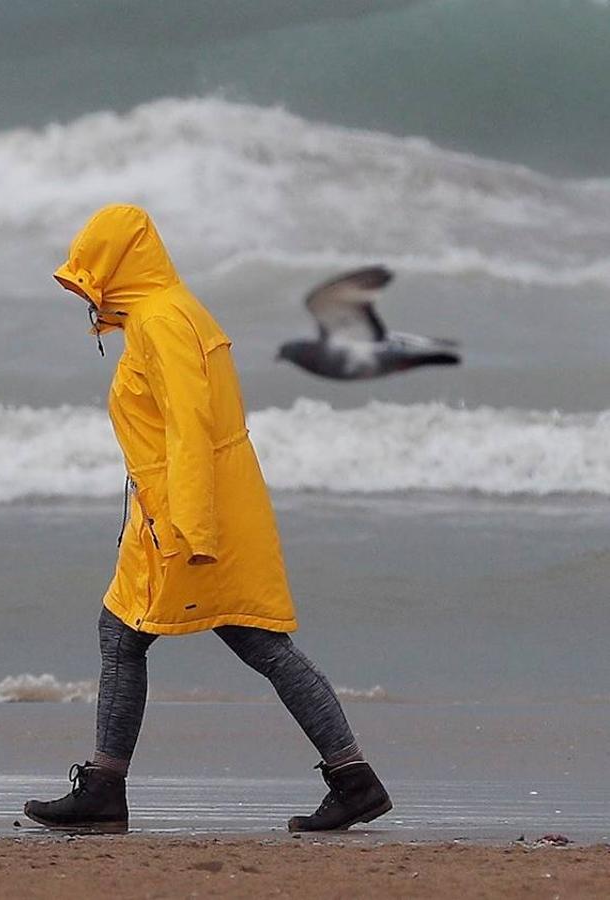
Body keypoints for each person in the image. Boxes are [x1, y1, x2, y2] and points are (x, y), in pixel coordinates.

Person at [22, 204, 391, 833]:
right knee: (190, 637)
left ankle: (109, 789)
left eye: (93, 274)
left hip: (188, 513)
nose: (87, 292)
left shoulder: (164, 321)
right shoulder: (166, 314)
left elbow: (192, 428)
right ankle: (350, 779)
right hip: (184, 507)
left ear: (118, 264)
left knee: (207, 640)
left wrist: (191, 527)